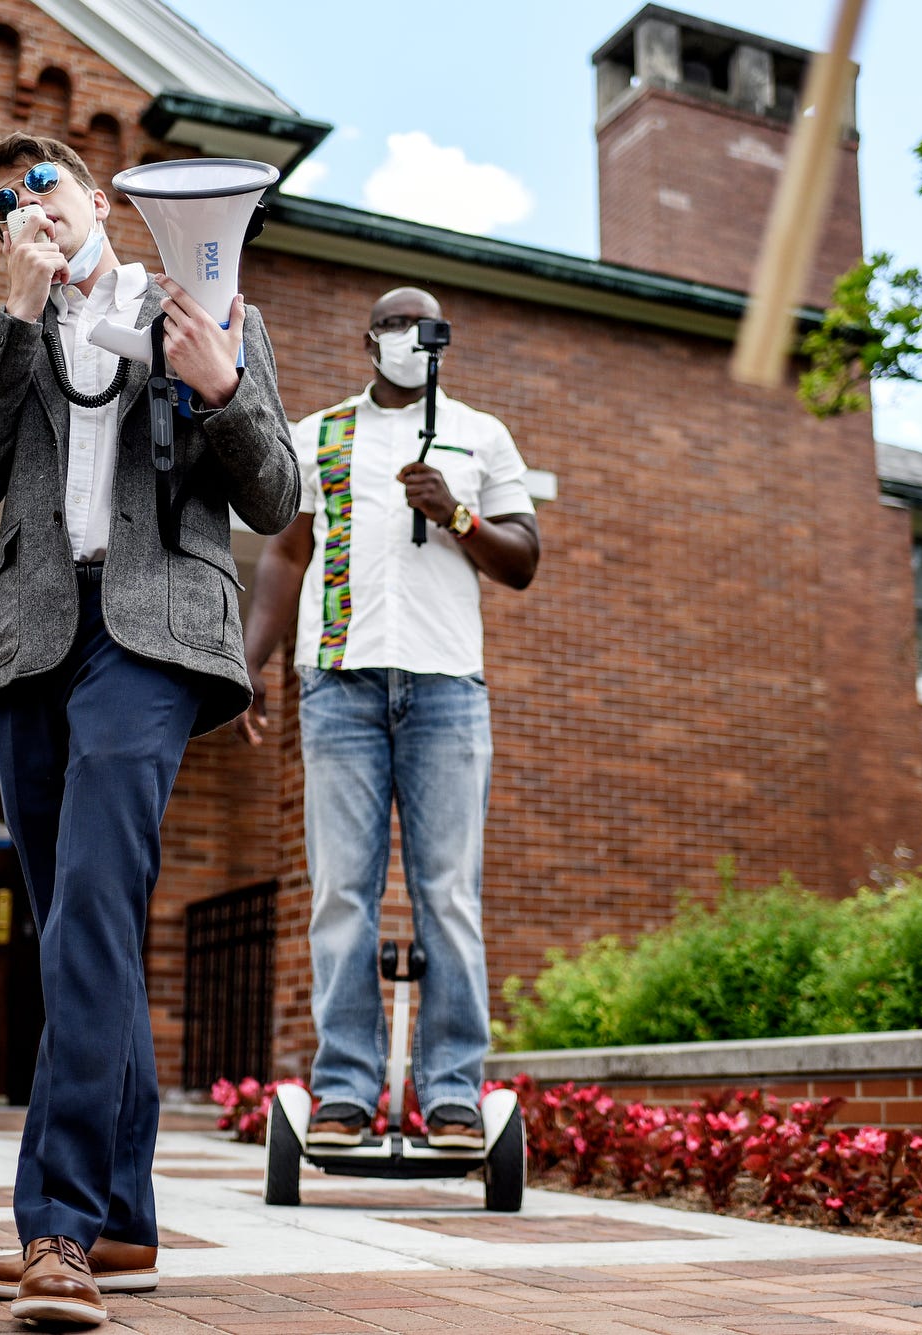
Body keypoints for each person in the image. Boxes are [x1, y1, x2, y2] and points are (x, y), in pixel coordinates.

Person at [0, 132, 298, 1326]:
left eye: (40, 183)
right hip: (32, 642)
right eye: (2, 202)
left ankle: (59, 1228)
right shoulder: (7, 333)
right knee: (75, 932)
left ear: (96, 195)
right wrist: (14, 319)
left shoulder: (204, 307)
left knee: (90, 909)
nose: (24, 206)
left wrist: (221, 386)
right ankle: (125, 1222)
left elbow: (275, 496)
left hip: (149, 637)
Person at [236, 286, 541, 1150]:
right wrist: (248, 660)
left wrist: (457, 513)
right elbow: (285, 552)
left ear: (443, 341)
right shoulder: (319, 433)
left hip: (448, 690)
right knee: (341, 892)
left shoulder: (481, 434)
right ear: (368, 340)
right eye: (394, 324)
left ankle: (451, 1094)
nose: (409, 337)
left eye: (423, 326)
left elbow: (523, 558)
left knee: (449, 895)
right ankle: (343, 1089)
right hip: (338, 684)